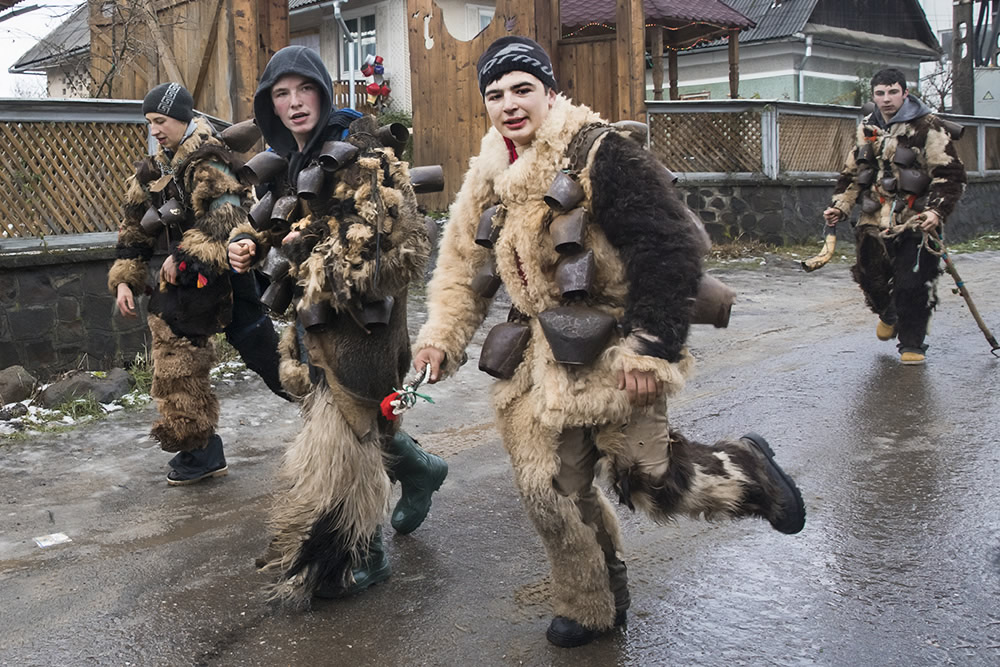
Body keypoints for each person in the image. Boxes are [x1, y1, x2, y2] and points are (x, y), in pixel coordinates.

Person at [412, 36, 806, 648]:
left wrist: (652, 346)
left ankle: (747, 468)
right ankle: (594, 600)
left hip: (616, 350)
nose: (509, 105)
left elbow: (668, 248)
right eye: (495, 94)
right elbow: (462, 268)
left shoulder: (600, 152)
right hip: (534, 364)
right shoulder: (487, 175)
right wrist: (440, 337)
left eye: (523, 89)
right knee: (552, 493)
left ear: (548, 92)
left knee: (652, 483)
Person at [231, 45, 447, 606]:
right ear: (269, 104)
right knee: (352, 429)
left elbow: (400, 248)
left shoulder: (361, 147)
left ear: (324, 92)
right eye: (282, 93)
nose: (295, 102)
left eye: (305, 89)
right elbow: (280, 233)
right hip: (309, 324)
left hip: (360, 329)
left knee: (348, 439)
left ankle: (363, 556)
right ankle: (420, 471)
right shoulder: (286, 160)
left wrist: (318, 254)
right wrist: (248, 245)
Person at [108, 82, 287, 486]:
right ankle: (198, 451)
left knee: (268, 358)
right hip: (186, 291)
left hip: (228, 281)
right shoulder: (154, 169)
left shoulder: (211, 161)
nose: (154, 130)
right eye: (149, 122)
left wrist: (182, 257)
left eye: (161, 121)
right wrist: (125, 280)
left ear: (183, 119)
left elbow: (226, 218)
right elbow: (134, 228)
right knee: (175, 364)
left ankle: (333, 411)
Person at [823, 68, 966, 365]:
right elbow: (852, 175)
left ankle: (912, 343)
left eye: (892, 92)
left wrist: (935, 211)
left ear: (904, 93)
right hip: (873, 220)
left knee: (913, 283)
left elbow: (950, 175)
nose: (886, 99)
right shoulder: (867, 128)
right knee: (869, 278)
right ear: (873, 96)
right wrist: (840, 206)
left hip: (916, 220)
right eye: (880, 93)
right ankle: (889, 313)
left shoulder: (928, 127)